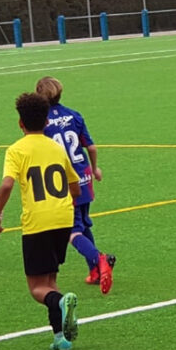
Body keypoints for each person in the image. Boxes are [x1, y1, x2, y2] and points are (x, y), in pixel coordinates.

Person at [0, 92, 81, 350]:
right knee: (50, 281)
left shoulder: (17, 150)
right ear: (46, 122)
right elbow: (74, 187)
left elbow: (7, 183)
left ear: (20, 123)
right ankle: (59, 338)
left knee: (37, 288)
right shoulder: (55, 147)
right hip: (63, 218)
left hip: (38, 222)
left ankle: (62, 302)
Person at [35, 76, 116, 294]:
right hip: (84, 175)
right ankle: (95, 271)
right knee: (84, 224)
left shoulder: (41, 123)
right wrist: (95, 168)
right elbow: (90, 147)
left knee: (72, 231)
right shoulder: (74, 115)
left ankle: (99, 259)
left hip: (64, 181)